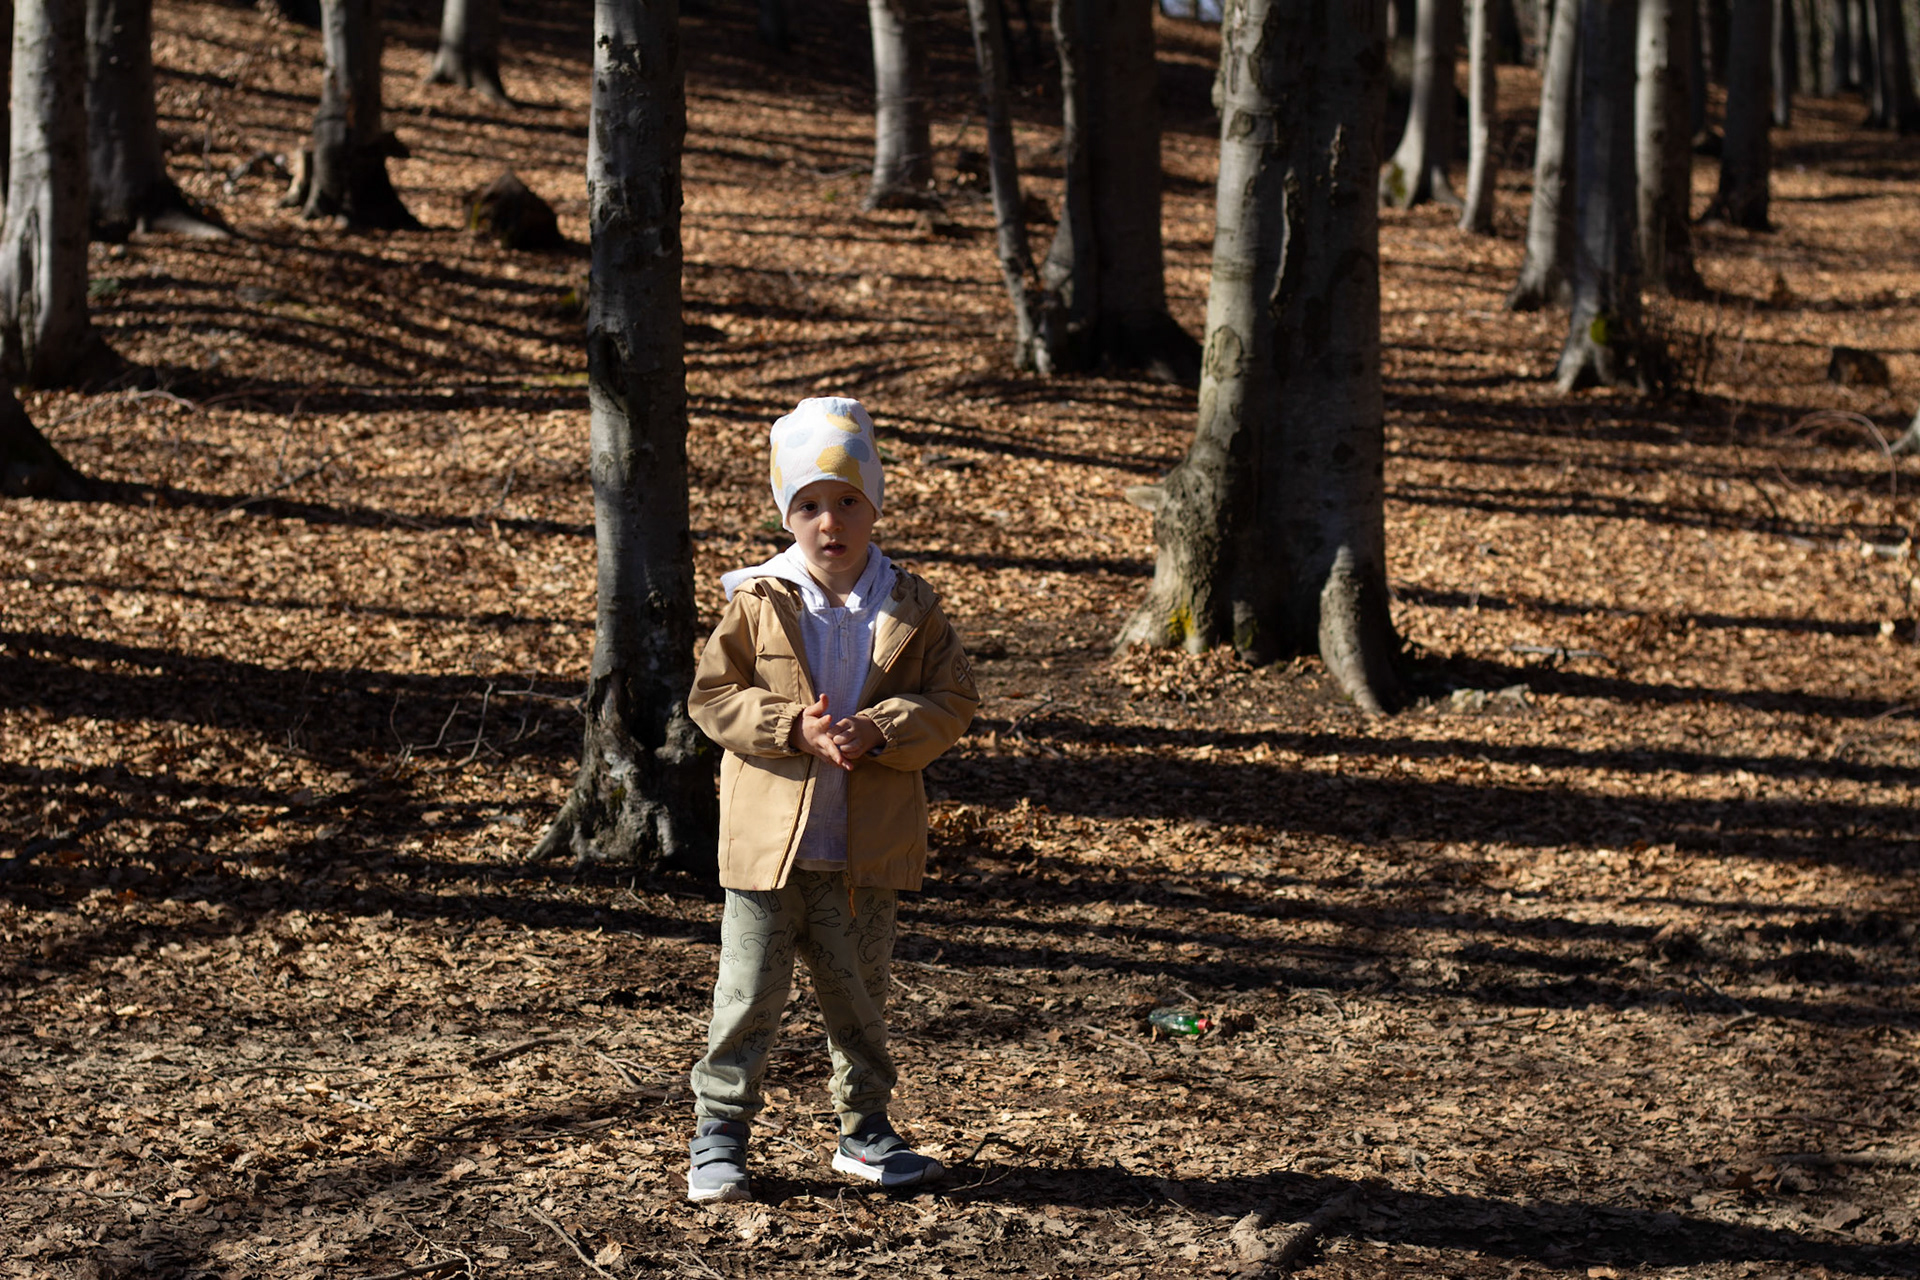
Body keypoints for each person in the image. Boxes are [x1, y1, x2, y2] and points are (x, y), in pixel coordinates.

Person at [683, 396, 980, 1204]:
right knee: (748, 996)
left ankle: (865, 1133)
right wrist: (790, 726)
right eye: (809, 504)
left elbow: (954, 700)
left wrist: (884, 726)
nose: (830, 522)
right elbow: (712, 697)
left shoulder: (912, 604)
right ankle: (720, 1136)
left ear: (874, 505)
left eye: (848, 500)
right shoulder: (759, 600)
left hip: (865, 848)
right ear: (787, 515)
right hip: (767, 851)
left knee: (860, 999)